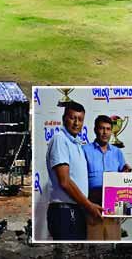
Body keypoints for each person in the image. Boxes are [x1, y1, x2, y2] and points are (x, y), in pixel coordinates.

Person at [46, 101, 102, 240]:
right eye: (72, 118)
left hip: (76, 210)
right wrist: (89, 205)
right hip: (64, 212)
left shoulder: (76, 143)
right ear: (64, 118)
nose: (76, 123)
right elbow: (64, 182)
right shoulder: (60, 139)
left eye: (80, 119)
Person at [82, 115, 132, 240]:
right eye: (102, 128)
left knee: (112, 244)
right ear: (95, 130)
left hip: (113, 208)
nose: (105, 132)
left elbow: (123, 177)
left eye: (108, 129)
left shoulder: (117, 152)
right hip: (92, 207)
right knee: (93, 245)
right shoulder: (84, 150)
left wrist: (127, 172)